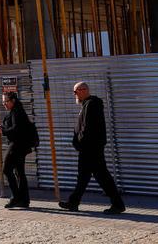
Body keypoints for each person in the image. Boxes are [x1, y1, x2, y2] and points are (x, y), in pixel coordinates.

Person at [58, 81, 124, 215]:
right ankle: (73, 202)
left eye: (75, 92)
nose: (74, 94)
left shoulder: (92, 104)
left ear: (83, 90)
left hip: (91, 148)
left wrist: (80, 142)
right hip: (88, 148)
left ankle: (118, 204)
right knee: (84, 177)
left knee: (102, 177)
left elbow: (87, 128)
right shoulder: (87, 104)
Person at [0, 91, 38, 209]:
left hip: (17, 145)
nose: (4, 104)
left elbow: (16, 129)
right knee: (19, 172)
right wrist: (3, 127)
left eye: (6, 101)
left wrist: (2, 131)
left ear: (13, 100)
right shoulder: (16, 111)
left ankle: (16, 197)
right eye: (3, 101)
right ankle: (24, 200)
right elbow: (14, 127)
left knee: (6, 169)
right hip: (21, 146)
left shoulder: (16, 111)